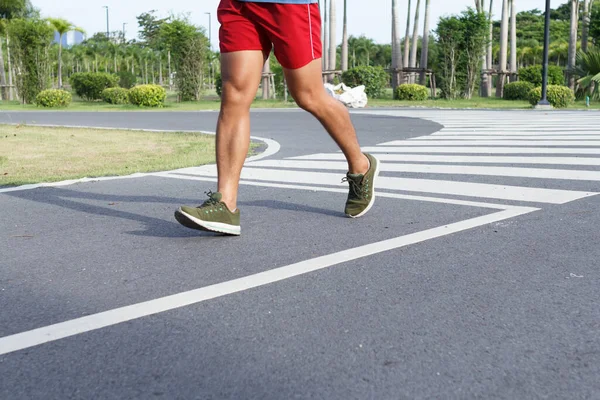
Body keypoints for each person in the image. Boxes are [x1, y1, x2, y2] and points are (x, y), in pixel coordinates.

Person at [175, 0, 380, 236]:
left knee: (308, 95)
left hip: (289, 5)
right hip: (239, 6)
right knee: (234, 95)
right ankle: (225, 204)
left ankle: (360, 164)